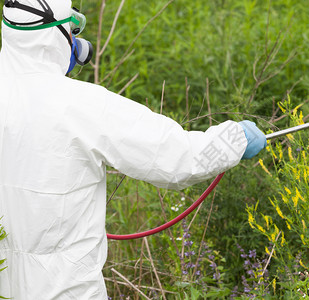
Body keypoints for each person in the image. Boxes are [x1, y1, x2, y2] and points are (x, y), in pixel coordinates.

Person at [0, 0, 267, 298]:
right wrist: (234, 139)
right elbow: (179, 159)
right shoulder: (83, 106)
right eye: (72, 32)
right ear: (56, 36)